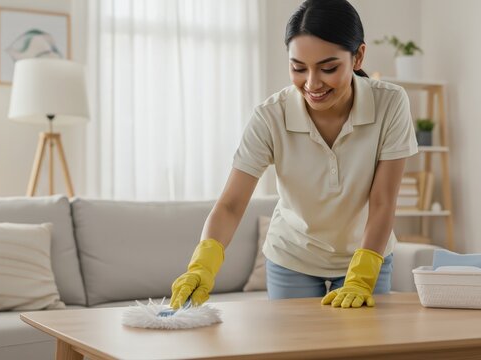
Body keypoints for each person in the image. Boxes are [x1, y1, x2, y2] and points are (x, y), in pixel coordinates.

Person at [170, 0, 418, 309]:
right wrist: (202, 265)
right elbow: (232, 204)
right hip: (292, 257)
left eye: (328, 68)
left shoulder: (390, 104)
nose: (312, 84)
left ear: (358, 57)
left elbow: (383, 201)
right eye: (298, 68)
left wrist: (361, 276)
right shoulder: (270, 116)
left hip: (367, 254)